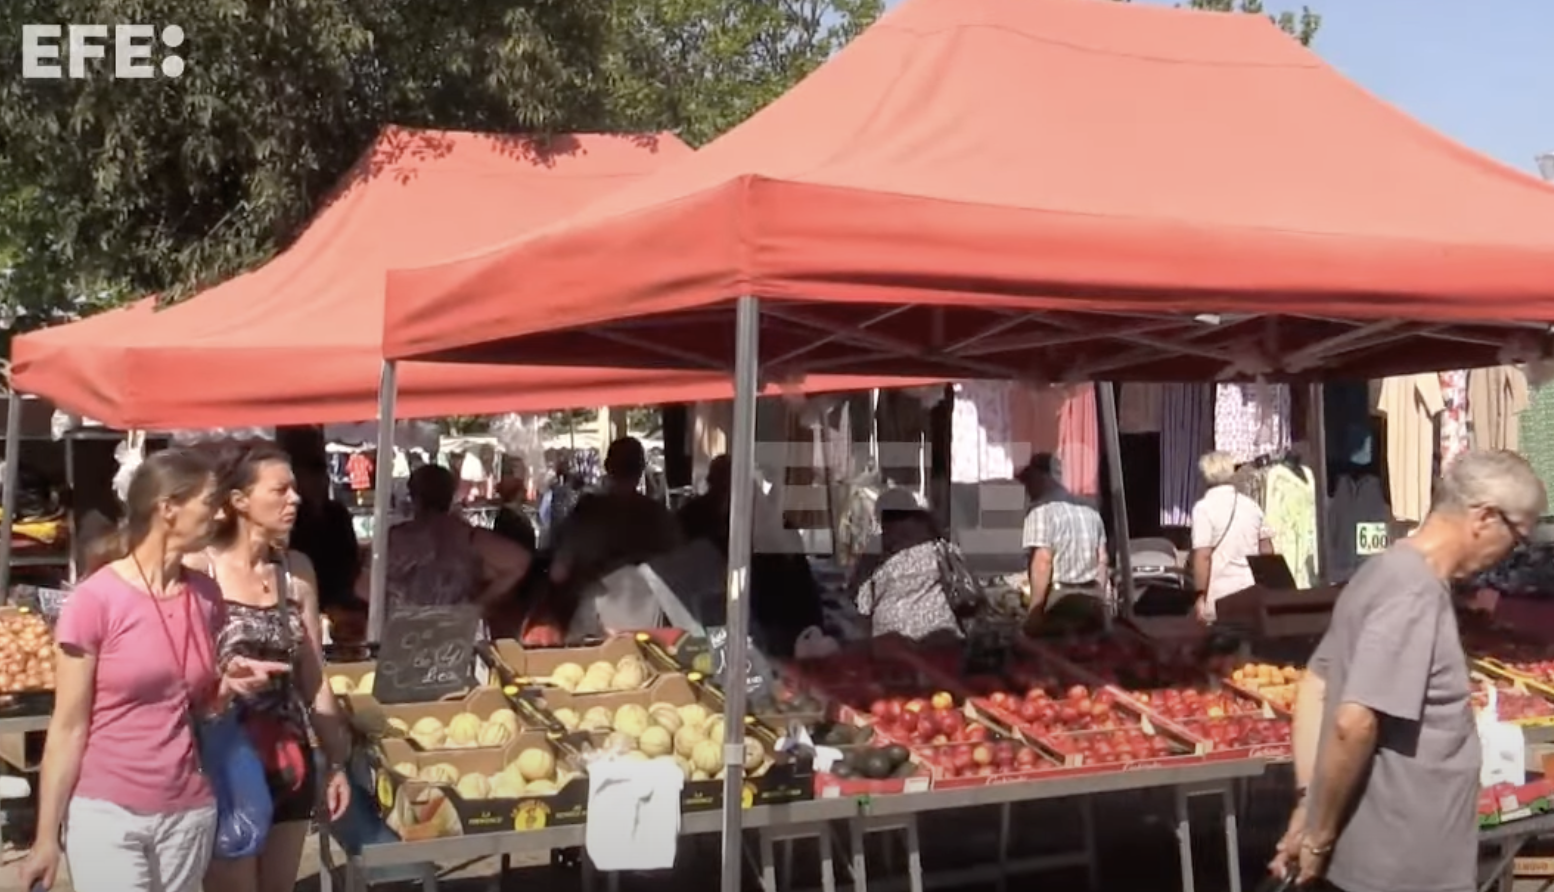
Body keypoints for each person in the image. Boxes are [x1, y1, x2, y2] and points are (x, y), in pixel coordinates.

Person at [1271, 450, 1545, 892]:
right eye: (1517, 539)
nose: (1510, 554)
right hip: (1403, 873)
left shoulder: (1381, 569)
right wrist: (1318, 836)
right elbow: (1353, 721)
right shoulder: (1415, 591)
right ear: (1484, 518)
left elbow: (1316, 685)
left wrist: (1309, 802)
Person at [19, 449, 288, 892]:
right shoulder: (95, 601)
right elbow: (67, 727)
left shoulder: (204, 596)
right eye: (208, 502)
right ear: (168, 509)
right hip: (109, 814)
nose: (219, 513)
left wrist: (225, 688)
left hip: (189, 811)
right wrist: (45, 838)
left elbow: (196, 706)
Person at [199, 439, 352, 892]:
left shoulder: (296, 571)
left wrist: (335, 759)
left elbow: (312, 673)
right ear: (239, 501)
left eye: (294, 489)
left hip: (289, 761)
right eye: (280, 490)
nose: (296, 498)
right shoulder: (199, 570)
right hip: (223, 758)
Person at [365, 463, 531, 614]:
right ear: (451, 495)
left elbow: (363, 585)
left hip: (402, 631)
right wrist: (478, 604)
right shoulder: (467, 536)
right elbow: (519, 562)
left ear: (414, 497)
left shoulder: (395, 538)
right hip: (454, 634)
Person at [849, 488, 971, 642]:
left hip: (891, 640)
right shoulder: (937, 539)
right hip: (942, 634)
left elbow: (859, 596)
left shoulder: (877, 547)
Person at [1018, 454, 1109, 632]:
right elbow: (1102, 560)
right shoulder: (1090, 511)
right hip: (1092, 599)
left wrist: (1035, 612)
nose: (1027, 489)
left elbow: (1043, 561)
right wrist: (1100, 600)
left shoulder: (1041, 511)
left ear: (1042, 478)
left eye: (1029, 481)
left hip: (1061, 602)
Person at [1189, 450, 1274, 622]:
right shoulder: (1252, 506)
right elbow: (1267, 551)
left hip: (1220, 596)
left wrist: (1200, 596)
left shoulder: (1204, 509)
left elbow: (1203, 557)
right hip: (1250, 593)